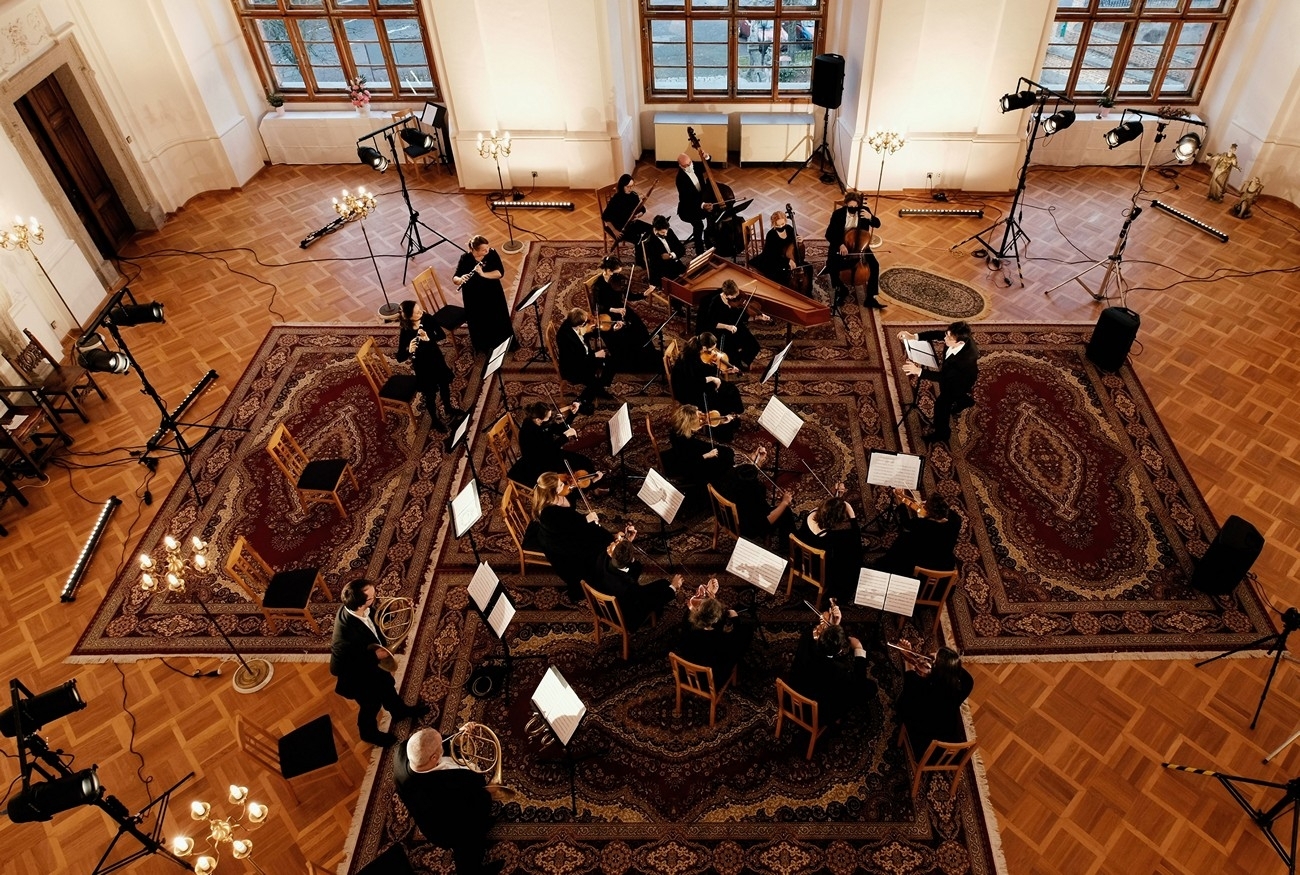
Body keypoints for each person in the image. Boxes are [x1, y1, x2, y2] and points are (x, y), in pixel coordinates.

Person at [330, 578, 429, 747]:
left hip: (374, 668)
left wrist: (395, 608)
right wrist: (375, 656)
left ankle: (399, 712)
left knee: (388, 686)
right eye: (372, 597)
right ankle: (368, 734)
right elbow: (338, 668)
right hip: (357, 678)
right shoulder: (344, 637)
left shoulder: (358, 608)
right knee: (371, 705)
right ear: (361, 604)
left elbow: (376, 618)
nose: (376, 598)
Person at [393, 728, 503, 875]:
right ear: (434, 758)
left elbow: (436, 744)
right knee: (468, 850)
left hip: (441, 812)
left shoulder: (403, 750)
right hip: (453, 827)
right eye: (441, 745)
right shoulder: (440, 793)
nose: (444, 742)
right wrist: (488, 791)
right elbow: (475, 805)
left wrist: (457, 740)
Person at [532, 470, 617, 603]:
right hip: (561, 542)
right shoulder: (548, 514)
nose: (565, 485)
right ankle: (601, 575)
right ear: (552, 492)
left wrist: (592, 482)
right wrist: (586, 519)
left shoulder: (561, 493)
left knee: (602, 536)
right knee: (595, 547)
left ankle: (608, 564)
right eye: (561, 485)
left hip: (573, 527)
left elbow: (574, 492)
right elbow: (567, 529)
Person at [787, 600, 874, 725]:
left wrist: (833, 626)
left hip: (793, 695)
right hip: (817, 714)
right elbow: (859, 683)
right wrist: (859, 649)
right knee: (869, 688)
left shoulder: (806, 636)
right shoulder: (839, 672)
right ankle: (836, 718)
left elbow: (816, 635)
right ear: (839, 651)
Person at [897, 321, 979, 444]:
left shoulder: (965, 361)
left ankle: (942, 434)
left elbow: (944, 377)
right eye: (946, 334)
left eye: (948, 338)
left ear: (960, 343)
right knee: (956, 395)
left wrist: (919, 371)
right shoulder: (956, 336)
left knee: (941, 406)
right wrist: (913, 336)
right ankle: (966, 401)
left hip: (958, 382)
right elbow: (937, 334)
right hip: (953, 374)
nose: (944, 338)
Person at [591, 531, 682, 631]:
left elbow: (634, 567)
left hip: (601, 608)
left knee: (663, 583)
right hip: (623, 618)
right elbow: (649, 600)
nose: (615, 541)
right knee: (664, 589)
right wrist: (673, 587)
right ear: (631, 561)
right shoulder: (629, 587)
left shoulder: (602, 558)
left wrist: (627, 542)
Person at [396, 299, 463, 432]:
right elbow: (399, 358)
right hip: (423, 367)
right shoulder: (406, 331)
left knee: (444, 386)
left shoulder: (427, 318)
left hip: (436, 359)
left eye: (419, 309)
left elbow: (442, 335)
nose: (421, 312)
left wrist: (428, 338)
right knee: (430, 396)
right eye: (417, 312)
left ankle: (448, 408)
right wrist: (409, 350)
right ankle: (435, 420)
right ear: (409, 317)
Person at [895, 644, 974, 755]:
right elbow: (965, 676)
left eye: (933, 660)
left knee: (901, 705)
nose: (931, 655)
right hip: (946, 734)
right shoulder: (965, 685)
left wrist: (909, 660)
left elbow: (907, 696)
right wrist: (947, 663)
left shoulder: (923, 686)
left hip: (923, 743)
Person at [676, 578, 754, 681]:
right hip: (713, 680)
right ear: (715, 620)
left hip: (688, 671)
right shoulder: (723, 640)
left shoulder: (687, 622)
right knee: (747, 632)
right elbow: (738, 641)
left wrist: (710, 594)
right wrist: (736, 619)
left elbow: (694, 608)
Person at [508, 400, 597, 487]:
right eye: (548, 417)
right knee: (566, 482)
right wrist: (565, 436)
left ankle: (594, 482)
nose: (551, 419)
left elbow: (559, 429)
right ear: (538, 420)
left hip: (550, 453)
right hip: (541, 461)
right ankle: (592, 485)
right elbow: (549, 450)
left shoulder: (541, 422)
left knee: (585, 462)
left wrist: (572, 414)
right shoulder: (529, 433)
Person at [671, 333, 744, 438]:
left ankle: (732, 416)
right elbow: (695, 381)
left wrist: (724, 370)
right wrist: (713, 379)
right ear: (704, 347)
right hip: (688, 391)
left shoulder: (697, 351)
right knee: (721, 397)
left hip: (697, 383)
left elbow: (702, 371)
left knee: (731, 389)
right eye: (711, 350)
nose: (713, 352)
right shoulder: (690, 359)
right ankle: (721, 426)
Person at [590, 255, 655, 372]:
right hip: (607, 314)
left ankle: (644, 356)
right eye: (616, 273)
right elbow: (597, 306)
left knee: (639, 327)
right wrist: (615, 310)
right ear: (608, 270)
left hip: (621, 309)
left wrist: (644, 293)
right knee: (621, 334)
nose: (618, 275)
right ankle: (628, 361)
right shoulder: (597, 285)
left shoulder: (618, 280)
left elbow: (629, 296)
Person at [799, 484, 862, 605]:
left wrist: (837, 497)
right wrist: (852, 516)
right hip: (818, 569)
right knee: (852, 558)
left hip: (802, 557)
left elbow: (829, 509)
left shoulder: (811, 514)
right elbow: (856, 539)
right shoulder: (832, 537)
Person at [453, 235, 514, 354]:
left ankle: (503, 342)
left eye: (487, 248)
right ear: (474, 250)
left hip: (492, 292)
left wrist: (483, 274)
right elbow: (455, 278)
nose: (487, 250)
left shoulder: (492, 254)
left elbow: (499, 273)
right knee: (480, 319)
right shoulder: (465, 258)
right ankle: (485, 345)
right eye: (483, 250)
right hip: (473, 296)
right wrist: (460, 279)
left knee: (497, 315)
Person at [720, 445, 794, 542]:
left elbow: (744, 474)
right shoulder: (753, 498)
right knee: (786, 512)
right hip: (746, 529)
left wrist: (756, 463)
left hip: (725, 518)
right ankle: (787, 545)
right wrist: (784, 502)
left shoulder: (731, 476)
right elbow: (765, 523)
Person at [824, 191, 884, 309]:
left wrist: (870, 217)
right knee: (831, 265)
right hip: (842, 244)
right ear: (846, 204)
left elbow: (877, 224)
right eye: (850, 207)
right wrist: (840, 245)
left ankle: (870, 297)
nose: (853, 209)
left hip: (860, 246)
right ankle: (841, 289)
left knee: (874, 265)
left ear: (859, 205)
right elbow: (829, 234)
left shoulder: (864, 211)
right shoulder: (838, 214)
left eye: (855, 207)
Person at [879, 491, 961, 575]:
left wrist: (901, 503)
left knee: (903, 538)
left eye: (926, 506)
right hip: (944, 563)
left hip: (924, 564)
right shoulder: (956, 520)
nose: (923, 505)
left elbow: (906, 523)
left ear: (930, 513)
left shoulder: (922, 525)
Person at [701, 278, 770, 372]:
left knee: (754, 345)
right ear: (727, 295)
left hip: (736, 326)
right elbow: (711, 323)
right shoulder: (715, 303)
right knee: (732, 351)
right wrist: (727, 327)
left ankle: (743, 359)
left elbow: (743, 317)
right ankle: (736, 363)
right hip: (722, 331)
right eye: (734, 296)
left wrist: (758, 317)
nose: (737, 297)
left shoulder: (735, 301)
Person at [557, 307, 615, 406]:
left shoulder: (571, 322)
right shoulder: (567, 339)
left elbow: (586, 333)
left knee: (612, 361)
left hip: (584, 357)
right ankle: (591, 393)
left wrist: (612, 328)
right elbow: (579, 361)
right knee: (606, 368)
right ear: (579, 325)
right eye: (585, 322)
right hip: (575, 369)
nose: (588, 322)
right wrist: (596, 355)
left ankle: (598, 386)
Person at [668, 403, 735, 487]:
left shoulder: (683, 428)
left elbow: (705, 421)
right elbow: (689, 463)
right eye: (699, 421)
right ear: (689, 424)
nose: (702, 421)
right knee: (721, 462)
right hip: (692, 464)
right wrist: (707, 455)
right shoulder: (681, 440)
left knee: (727, 451)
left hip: (692, 447)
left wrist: (721, 421)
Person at [756, 210, 812, 293]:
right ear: (773, 224)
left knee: (809, 268)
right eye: (778, 225)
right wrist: (787, 261)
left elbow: (796, 242)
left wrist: (800, 240)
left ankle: (808, 292)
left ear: (785, 221)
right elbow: (771, 255)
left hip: (792, 257)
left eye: (783, 224)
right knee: (784, 276)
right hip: (777, 261)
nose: (781, 226)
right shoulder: (771, 235)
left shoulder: (789, 228)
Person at [675, 151, 714, 254]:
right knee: (699, 226)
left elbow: (705, 166)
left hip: (701, 200)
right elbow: (687, 199)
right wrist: (702, 205)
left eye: (690, 163)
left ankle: (712, 242)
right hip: (688, 208)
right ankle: (700, 252)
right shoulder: (680, 179)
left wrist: (707, 157)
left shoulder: (694, 165)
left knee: (713, 216)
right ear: (680, 166)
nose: (689, 166)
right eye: (686, 165)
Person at [602, 173, 653, 249]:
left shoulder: (633, 195)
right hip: (620, 227)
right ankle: (641, 254)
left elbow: (643, 210)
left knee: (652, 230)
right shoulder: (616, 199)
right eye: (628, 187)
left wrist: (637, 216)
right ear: (622, 186)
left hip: (632, 223)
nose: (630, 189)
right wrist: (614, 230)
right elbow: (605, 216)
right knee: (639, 240)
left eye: (632, 186)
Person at [642, 214, 688, 285]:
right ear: (656, 230)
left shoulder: (669, 231)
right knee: (675, 285)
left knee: (690, 275)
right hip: (662, 269)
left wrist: (671, 255)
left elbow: (682, 249)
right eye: (663, 232)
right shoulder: (649, 241)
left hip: (673, 262)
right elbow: (655, 263)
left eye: (666, 232)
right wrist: (668, 258)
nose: (666, 234)